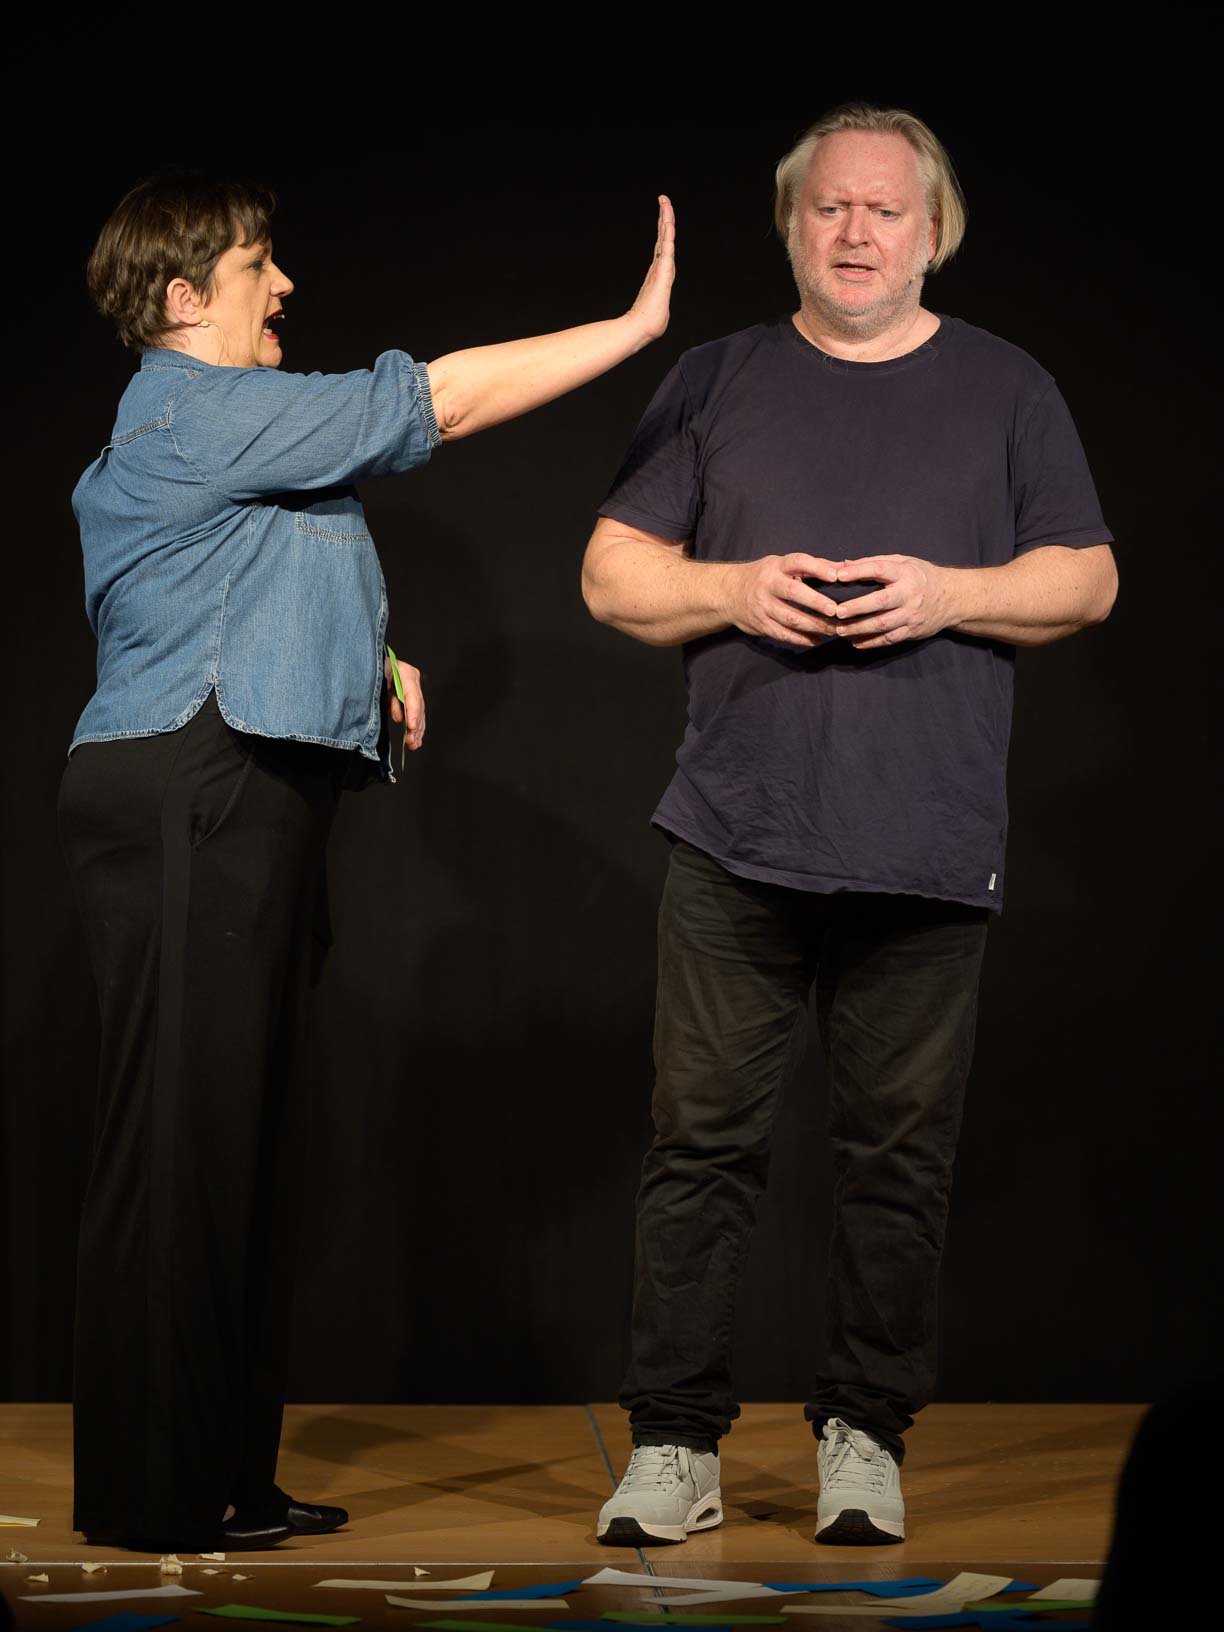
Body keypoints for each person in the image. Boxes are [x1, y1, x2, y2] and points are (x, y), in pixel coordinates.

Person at [59, 171, 675, 1554]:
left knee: (245, 1152)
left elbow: (245, 576)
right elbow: (435, 400)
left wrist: (375, 660)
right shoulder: (190, 407)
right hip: (187, 796)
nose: (285, 289)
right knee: (176, 1160)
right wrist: (632, 328)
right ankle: (150, 1493)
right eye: (260, 268)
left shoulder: (231, 442)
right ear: (180, 299)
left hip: (250, 797)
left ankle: (223, 1471)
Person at [583, 102, 1116, 1548]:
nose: (858, 232)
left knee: (898, 1160)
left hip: (928, 848)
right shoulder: (715, 379)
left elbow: (1086, 581)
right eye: (830, 208)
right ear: (792, 227)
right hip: (733, 839)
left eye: (887, 210)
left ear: (933, 232)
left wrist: (954, 592)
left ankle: (864, 1435)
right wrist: (730, 588)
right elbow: (612, 576)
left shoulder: (1009, 390)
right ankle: (676, 1448)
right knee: (698, 1145)